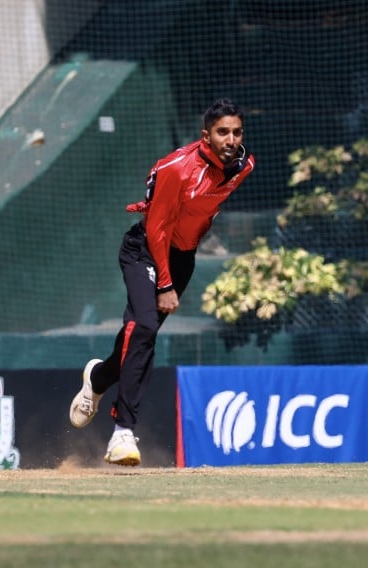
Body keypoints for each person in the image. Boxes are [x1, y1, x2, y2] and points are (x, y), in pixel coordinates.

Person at [69, 98, 255, 465]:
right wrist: (165, 284)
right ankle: (123, 433)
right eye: (222, 132)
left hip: (182, 258)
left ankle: (99, 378)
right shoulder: (177, 168)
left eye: (236, 132)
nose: (231, 139)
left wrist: (178, 267)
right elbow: (156, 228)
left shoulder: (244, 166)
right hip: (145, 250)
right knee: (145, 326)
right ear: (206, 136)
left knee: (140, 334)